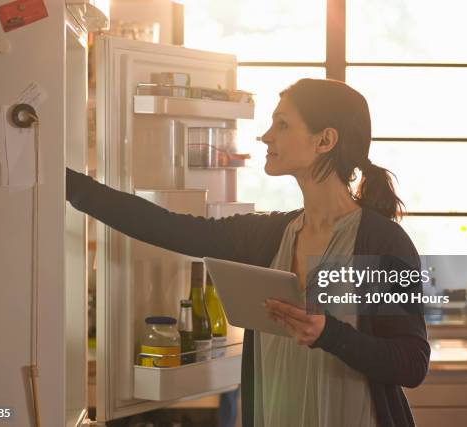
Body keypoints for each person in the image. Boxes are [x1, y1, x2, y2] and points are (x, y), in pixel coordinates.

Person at [67, 78, 430, 427]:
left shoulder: (383, 243)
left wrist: (330, 335)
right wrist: (64, 181)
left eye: (282, 124)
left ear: (325, 140)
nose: (266, 135)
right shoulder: (269, 234)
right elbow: (164, 226)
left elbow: (411, 364)